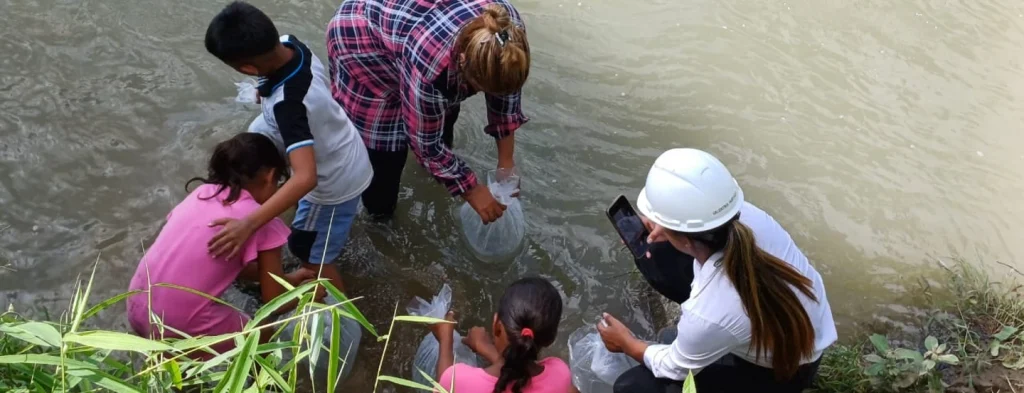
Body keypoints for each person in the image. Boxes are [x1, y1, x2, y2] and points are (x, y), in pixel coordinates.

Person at [596, 148, 838, 393]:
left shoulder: (708, 313)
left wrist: (627, 343)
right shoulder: (746, 218)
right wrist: (670, 228)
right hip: (797, 342)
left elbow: (674, 367)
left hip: (782, 375)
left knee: (631, 387)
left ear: (686, 239)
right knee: (657, 254)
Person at [203, 1, 373, 295]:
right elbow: (280, 81)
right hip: (344, 146)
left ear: (246, 67)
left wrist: (249, 224)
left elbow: (307, 177)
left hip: (332, 183)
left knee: (308, 249)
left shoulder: (290, 106)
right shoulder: (290, 44)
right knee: (312, 231)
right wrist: (264, 87)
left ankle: (337, 311)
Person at [327, 0, 530, 223]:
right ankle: (380, 221)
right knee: (386, 157)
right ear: (462, 61)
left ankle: (435, 174)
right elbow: (425, 145)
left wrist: (506, 161)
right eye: (479, 87)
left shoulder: (508, 32)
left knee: (443, 116)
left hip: (414, 34)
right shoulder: (431, 70)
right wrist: (471, 190)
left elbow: (505, 93)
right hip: (360, 42)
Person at [126, 134, 322, 357]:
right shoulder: (263, 221)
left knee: (178, 366)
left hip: (137, 306)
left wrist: (286, 279)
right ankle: (260, 383)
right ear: (270, 177)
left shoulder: (200, 195)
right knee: (264, 334)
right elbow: (274, 300)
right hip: (177, 323)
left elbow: (215, 261)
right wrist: (308, 294)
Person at [429, 277, 571, 393]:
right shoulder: (560, 374)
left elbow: (444, 383)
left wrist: (445, 338)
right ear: (550, 338)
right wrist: (488, 350)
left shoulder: (464, 382)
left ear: (496, 324)